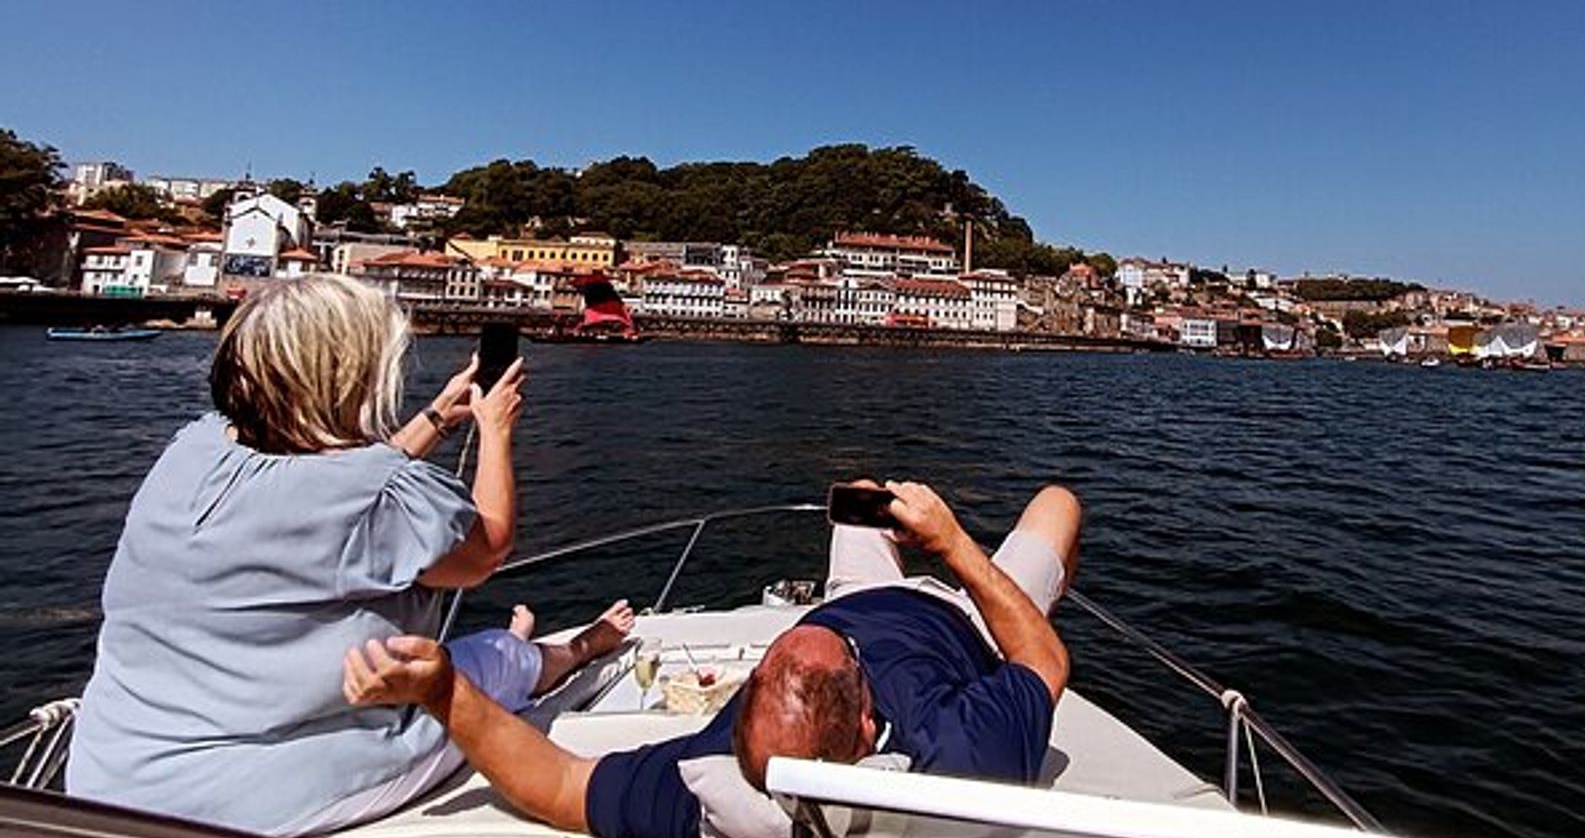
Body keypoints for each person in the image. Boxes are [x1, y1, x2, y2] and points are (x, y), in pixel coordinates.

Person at [67, 275, 631, 835]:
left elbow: (324, 478)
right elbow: (487, 549)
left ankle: (528, 638)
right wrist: (495, 429)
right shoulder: (372, 494)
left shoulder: (193, 446)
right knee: (485, 658)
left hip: (107, 776)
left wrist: (435, 417)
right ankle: (575, 649)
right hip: (257, 792)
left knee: (466, 652)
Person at [342, 481, 1081, 838]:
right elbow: (1044, 660)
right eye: (852, 659)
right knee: (1056, 506)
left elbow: (555, 783)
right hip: (960, 622)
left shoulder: (701, 779)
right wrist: (952, 546)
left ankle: (857, 580)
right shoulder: (957, 753)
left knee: (857, 498)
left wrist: (447, 693)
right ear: (865, 720)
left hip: (854, 596)